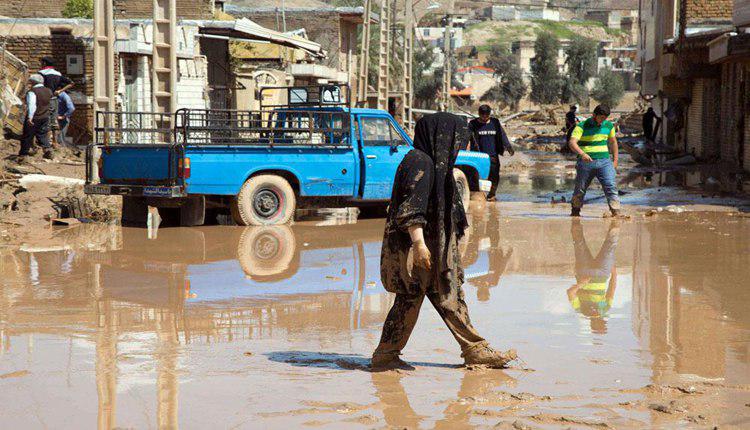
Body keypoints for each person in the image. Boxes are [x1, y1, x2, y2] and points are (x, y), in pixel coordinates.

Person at [372, 112, 517, 371]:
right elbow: (411, 209)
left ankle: (390, 354)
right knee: (435, 296)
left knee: (434, 297)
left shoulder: (435, 163)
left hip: (432, 245)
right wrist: (419, 245)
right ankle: (473, 349)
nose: (460, 145)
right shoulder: (420, 162)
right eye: (457, 139)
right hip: (419, 248)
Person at [567, 219, 619, 334]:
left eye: (600, 323)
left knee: (581, 244)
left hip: (588, 273)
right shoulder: (602, 309)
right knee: (608, 247)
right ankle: (615, 222)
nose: (600, 320)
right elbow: (611, 289)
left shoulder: (583, 309)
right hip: (598, 273)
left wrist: (581, 284)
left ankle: (576, 219)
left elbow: (570, 292)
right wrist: (614, 273)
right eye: (601, 323)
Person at [567, 104, 620, 217]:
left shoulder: (609, 126)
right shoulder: (582, 126)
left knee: (611, 186)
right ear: (594, 115)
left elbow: (613, 142)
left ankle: (616, 214)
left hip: (605, 162)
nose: (602, 120)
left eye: (605, 118)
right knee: (580, 189)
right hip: (586, 163)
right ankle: (575, 213)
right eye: (601, 117)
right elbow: (572, 143)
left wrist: (615, 161)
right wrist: (582, 154)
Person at [467, 105, 515, 201]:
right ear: (479, 114)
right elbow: (467, 137)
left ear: (489, 114)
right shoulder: (473, 124)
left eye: (486, 115)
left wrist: (508, 146)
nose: (484, 118)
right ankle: (478, 194)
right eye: (482, 115)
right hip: (478, 155)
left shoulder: (495, 122)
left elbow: (502, 135)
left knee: (494, 175)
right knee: (478, 175)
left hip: (493, 154)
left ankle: (492, 194)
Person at [39, 57, 74, 144]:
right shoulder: (58, 74)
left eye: (42, 62)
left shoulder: (41, 73)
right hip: (54, 100)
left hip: (44, 99)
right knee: (53, 120)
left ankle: (46, 141)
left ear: (44, 63)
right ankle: (54, 141)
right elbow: (71, 83)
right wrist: (60, 91)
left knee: (43, 119)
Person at [19, 74, 53, 159]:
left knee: (27, 135)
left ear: (33, 82)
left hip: (35, 117)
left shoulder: (33, 91)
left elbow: (32, 105)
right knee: (42, 134)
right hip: (45, 116)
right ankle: (47, 149)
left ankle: (23, 154)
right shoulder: (48, 91)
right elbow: (50, 104)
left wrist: (30, 117)